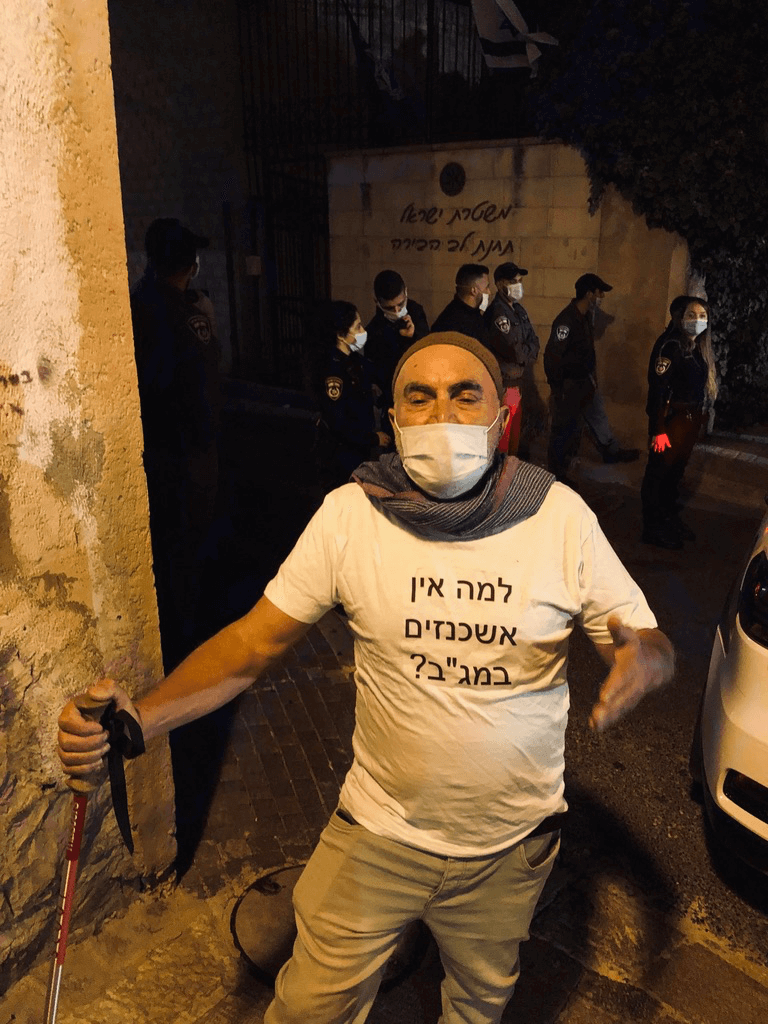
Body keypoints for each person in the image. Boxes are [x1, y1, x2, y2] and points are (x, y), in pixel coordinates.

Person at [58, 332, 674, 1024]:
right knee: (307, 1009)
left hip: (508, 847)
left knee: (479, 1001)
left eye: (464, 395)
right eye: (420, 397)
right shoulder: (350, 516)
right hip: (378, 833)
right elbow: (254, 643)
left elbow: (644, 639)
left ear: (500, 418)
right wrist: (137, 720)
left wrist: (645, 659)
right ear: (394, 420)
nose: (442, 414)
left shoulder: (557, 517)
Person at [130, 217, 222, 671]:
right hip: (186, 453)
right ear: (189, 264)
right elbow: (203, 385)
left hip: (156, 450)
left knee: (167, 548)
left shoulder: (136, 305)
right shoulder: (186, 314)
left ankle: (174, 632)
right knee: (187, 546)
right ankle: (186, 644)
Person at [544, 273, 639, 484]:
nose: (601, 297)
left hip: (584, 382)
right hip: (569, 385)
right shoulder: (566, 320)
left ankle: (610, 452)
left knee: (595, 417)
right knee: (565, 429)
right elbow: (552, 357)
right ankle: (557, 473)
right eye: (599, 293)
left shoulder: (585, 316)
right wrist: (557, 388)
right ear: (589, 294)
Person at [640, 296, 717, 549]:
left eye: (702, 316)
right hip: (671, 421)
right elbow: (658, 390)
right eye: (692, 315)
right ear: (680, 318)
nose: (698, 321)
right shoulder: (671, 346)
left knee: (674, 473)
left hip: (688, 421)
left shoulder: (694, 347)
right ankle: (652, 527)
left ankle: (667, 518)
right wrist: (658, 429)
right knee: (659, 473)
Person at [309, 300, 390, 493]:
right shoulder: (333, 371)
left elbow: (379, 375)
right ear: (340, 335)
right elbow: (338, 422)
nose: (363, 331)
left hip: (358, 450)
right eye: (357, 327)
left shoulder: (353, 360)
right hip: (342, 456)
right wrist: (373, 439)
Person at [484, 261, 541, 457]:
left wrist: (528, 351)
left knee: (514, 438)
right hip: (504, 385)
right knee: (504, 438)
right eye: (513, 281)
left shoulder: (518, 310)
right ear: (500, 284)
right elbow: (516, 352)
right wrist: (528, 352)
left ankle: (511, 470)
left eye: (520, 281)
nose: (518, 285)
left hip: (517, 383)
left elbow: (534, 342)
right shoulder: (498, 314)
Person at [365, 270, 430, 407]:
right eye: (389, 308)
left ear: (406, 292)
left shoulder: (416, 311)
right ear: (377, 302)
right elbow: (380, 373)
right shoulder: (374, 332)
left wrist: (413, 336)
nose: (396, 311)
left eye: (400, 305)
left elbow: (428, 349)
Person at [431, 263, 491, 343]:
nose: (489, 292)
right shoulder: (452, 322)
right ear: (474, 291)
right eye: (486, 287)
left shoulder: (474, 314)